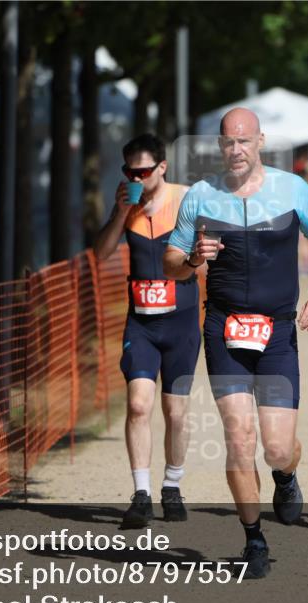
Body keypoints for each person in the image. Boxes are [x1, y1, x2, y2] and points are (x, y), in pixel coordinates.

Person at [164, 108, 308, 579]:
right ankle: (253, 538)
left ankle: (285, 475)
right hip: (224, 330)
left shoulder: (293, 189)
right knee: (240, 439)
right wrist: (192, 259)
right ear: (218, 147)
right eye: (228, 143)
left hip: (278, 332)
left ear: (260, 141)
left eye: (244, 141)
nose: (236, 150)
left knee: (277, 447)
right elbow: (171, 262)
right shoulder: (200, 197)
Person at [94, 133, 201, 529]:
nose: (135, 176)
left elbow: (205, 255)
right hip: (141, 320)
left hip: (181, 320)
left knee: (175, 411)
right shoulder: (127, 202)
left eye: (142, 170)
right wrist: (120, 214)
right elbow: (101, 253)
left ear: (162, 167)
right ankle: (141, 495)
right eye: (129, 170)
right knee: (139, 404)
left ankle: (172, 486)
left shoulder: (188, 198)